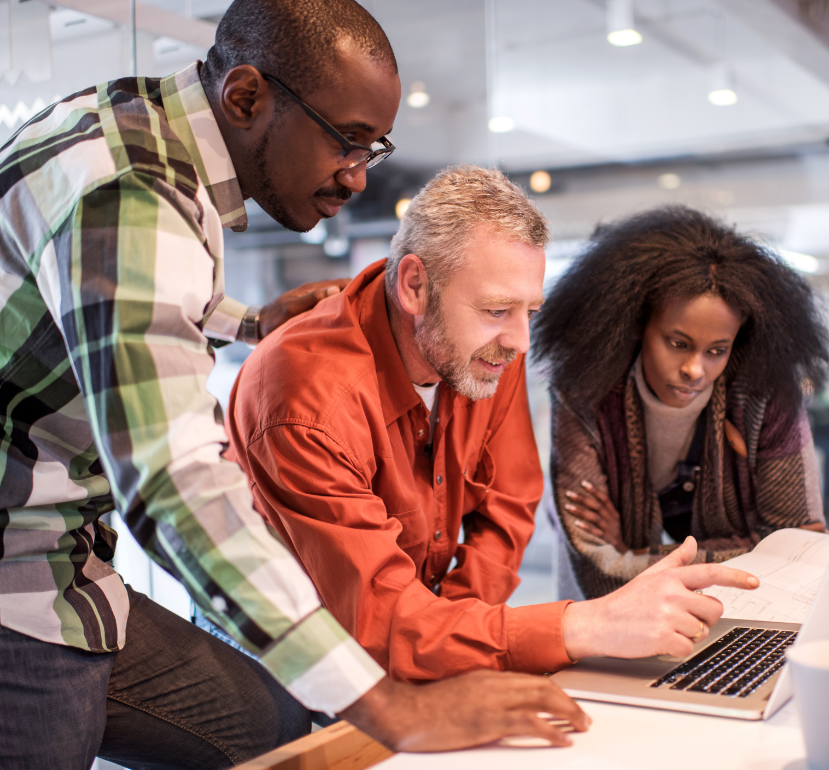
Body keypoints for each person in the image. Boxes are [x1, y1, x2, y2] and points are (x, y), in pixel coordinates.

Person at [0, 1, 590, 767]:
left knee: (265, 723)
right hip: (22, 566)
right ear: (245, 99)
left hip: (75, 560)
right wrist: (394, 712)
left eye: (374, 148)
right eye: (345, 142)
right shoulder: (136, 195)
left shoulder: (130, 125)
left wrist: (246, 321)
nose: (356, 175)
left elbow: (97, 292)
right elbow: (174, 483)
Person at [226, 165, 760, 683]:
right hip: (287, 668)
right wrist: (583, 625)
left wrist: (450, 636)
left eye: (529, 312)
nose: (521, 344)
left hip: (408, 640)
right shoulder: (304, 405)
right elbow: (378, 620)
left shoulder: (486, 347)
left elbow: (509, 501)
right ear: (414, 286)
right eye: (497, 310)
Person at [530, 206, 829, 601]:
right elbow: (598, 574)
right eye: (678, 344)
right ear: (638, 323)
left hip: (744, 614)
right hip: (610, 621)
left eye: (716, 350)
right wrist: (755, 548)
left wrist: (632, 554)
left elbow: (799, 556)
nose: (695, 369)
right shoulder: (585, 388)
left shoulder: (766, 390)